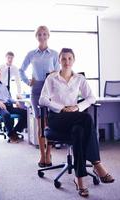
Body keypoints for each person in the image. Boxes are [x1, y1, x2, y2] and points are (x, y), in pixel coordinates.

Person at [39, 48, 114, 197]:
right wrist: (62, 108)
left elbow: (91, 98)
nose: (67, 62)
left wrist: (77, 107)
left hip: (73, 118)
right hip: (56, 118)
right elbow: (42, 100)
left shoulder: (79, 78)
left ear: (73, 60)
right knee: (86, 118)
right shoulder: (52, 78)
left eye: (69, 59)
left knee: (79, 131)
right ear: (59, 61)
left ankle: (79, 178)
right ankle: (96, 163)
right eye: (63, 59)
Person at [19, 25, 60, 167]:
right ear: (36, 37)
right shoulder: (31, 54)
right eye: (39, 34)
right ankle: (42, 155)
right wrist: (27, 81)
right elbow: (21, 70)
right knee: (40, 123)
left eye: (44, 34)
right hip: (36, 89)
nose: (42, 37)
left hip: (50, 90)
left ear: (48, 36)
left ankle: (49, 153)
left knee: (49, 123)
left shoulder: (54, 54)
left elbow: (58, 73)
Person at [0, 68, 27, 143]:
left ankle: (14, 131)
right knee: (6, 114)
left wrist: (15, 102)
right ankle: (11, 135)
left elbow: (8, 98)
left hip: (8, 106)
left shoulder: (3, 86)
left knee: (25, 112)